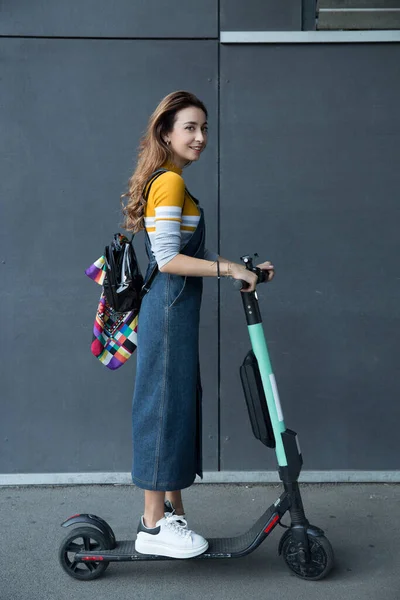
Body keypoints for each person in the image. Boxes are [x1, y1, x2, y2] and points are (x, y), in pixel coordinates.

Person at [122, 91, 274, 559]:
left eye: (204, 128)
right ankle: (152, 526)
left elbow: (199, 255)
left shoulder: (177, 184)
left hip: (176, 314)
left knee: (177, 406)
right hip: (167, 313)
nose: (200, 137)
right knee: (162, 408)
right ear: (166, 132)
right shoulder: (168, 183)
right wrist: (230, 272)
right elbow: (168, 260)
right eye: (190, 127)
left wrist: (242, 269)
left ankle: (172, 512)